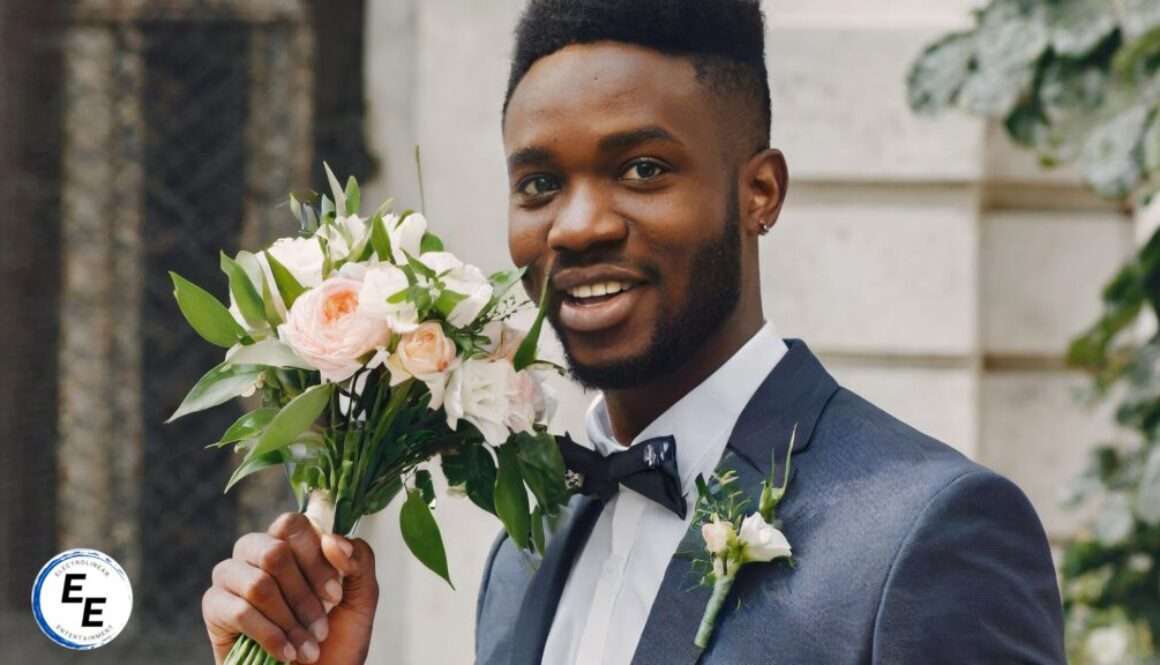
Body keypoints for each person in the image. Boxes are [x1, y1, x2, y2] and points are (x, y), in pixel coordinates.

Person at [201, 1, 1067, 663]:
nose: (575, 226)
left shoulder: (925, 533)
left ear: (758, 191)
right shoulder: (521, 557)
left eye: (643, 169)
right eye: (539, 183)